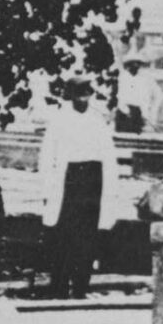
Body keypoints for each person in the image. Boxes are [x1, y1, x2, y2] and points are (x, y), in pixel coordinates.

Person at [37, 75, 124, 298]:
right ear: (70, 96)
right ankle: (59, 286)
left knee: (87, 236)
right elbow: (47, 156)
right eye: (78, 95)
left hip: (93, 181)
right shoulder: (59, 120)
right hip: (69, 180)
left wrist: (111, 189)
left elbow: (108, 156)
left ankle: (80, 287)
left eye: (86, 94)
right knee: (63, 235)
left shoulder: (97, 121)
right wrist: (47, 189)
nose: (82, 99)